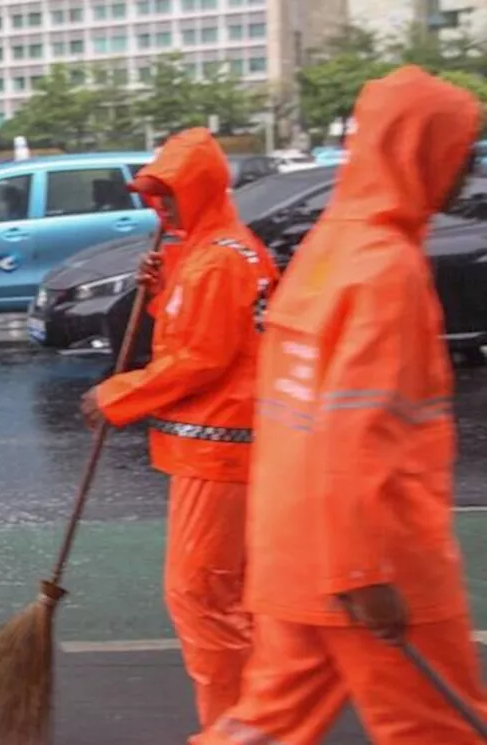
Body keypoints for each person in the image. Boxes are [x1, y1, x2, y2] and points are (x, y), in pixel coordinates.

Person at [195, 66, 487, 745]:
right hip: (382, 561)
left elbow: (301, 416)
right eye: (457, 153)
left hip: (294, 553)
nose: (460, 174)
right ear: (422, 153)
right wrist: (363, 570)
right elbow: (353, 430)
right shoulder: (388, 269)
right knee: (439, 729)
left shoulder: (328, 248)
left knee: (264, 728)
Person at [78, 127, 280, 734]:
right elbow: (201, 327)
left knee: (203, 600)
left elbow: (201, 358)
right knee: (232, 602)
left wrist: (117, 396)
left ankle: (235, 730)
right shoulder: (220, 249)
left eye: (169, 193)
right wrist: (165, 278)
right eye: (154, 194)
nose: (159, 206)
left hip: (218, 457)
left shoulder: (219, 258)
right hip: (227, 456)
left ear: (200, 190)